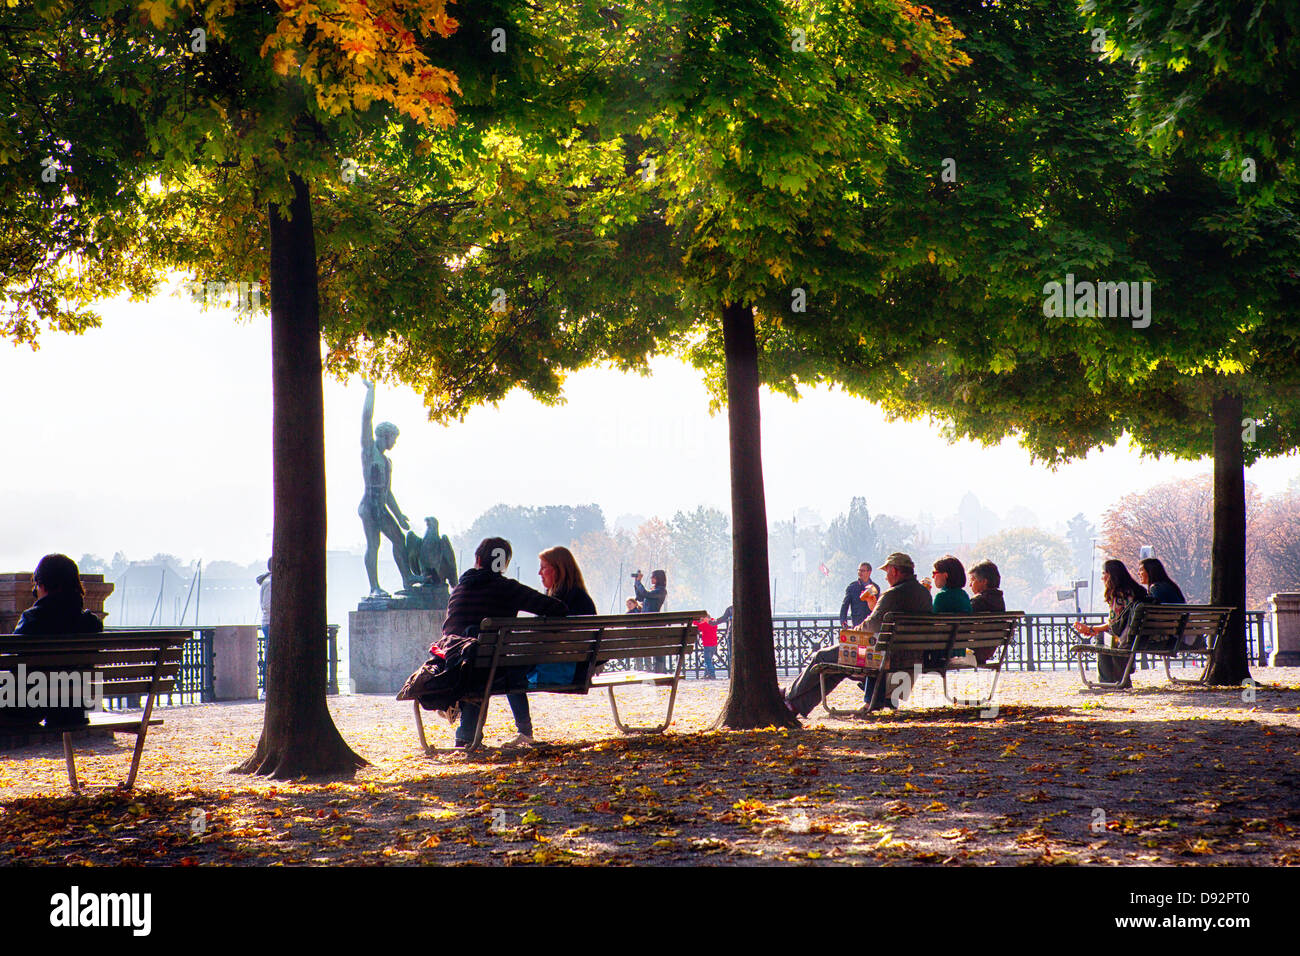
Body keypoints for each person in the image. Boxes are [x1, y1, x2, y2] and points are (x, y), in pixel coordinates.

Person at [443, 537, 568, 748]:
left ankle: (466, 735)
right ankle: (524, 730)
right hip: (488, 667)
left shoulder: (459, 589)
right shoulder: (507, 588)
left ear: (478, 559)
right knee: (502, 665)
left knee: (483, 664)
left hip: (454, 663)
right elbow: (558, 609)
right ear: (502, 564)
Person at [783, 552, 932, 719]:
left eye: (887, 572)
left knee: (821, 656)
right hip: (912, 657)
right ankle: (795, 706)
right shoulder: (924, 594)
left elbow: (871, 626)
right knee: (835, 668)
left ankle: (789, 697)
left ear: (895, 571)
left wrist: (852, 633)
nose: (885, 577)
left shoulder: (892, 594)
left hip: (883, 657)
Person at [5, 554, 103, 729]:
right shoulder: (91, 623)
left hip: (29, 707)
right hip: (75, 707)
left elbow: (12, 664)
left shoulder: (32, 619)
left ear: (42, 584)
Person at [358, 381, 415, 597]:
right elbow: (366, 418)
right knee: (374, 544)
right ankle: (374, 587)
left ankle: (407, 579)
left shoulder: (387, 462)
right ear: (385, 435)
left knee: (399, 539)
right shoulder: (369, 451)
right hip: (369, 506)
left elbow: (388, 492)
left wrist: (399, 515)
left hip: (381, 506)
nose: (395, 443)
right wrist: (371, 391)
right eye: (394, 438)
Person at [1072, 559, 1149, 688]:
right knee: (1105, 635)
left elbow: (1114, 625)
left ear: (1111, 575)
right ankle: (1120, 678)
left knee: (1102, 636)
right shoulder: (1137, 591)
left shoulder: (1118, 594)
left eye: (1104, 574)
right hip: (1142, 637)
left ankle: (1107, 681)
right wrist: (1094, 628)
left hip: (1127, 639)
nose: (1102, 578)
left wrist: (1093, 629)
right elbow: (1118, 623)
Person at [530, 546, 597, 688]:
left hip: (562, 672)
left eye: (543, 568)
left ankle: (521, 712)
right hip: (581, 670)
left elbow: (536, 637)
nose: (539, 573)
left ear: (559, 570)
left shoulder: (555, 603)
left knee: (508, 673)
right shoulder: (582, 598)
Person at [968, 560, 1006, 663]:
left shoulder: (978, 602)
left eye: (972, 580)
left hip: (971, 652)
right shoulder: (999, 601)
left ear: (984, 581)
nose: (970, 585)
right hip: (987, 651)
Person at [633, 570, 668, 671]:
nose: (651, 579)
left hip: (652, 624)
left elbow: (645, 594)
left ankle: (659, 672)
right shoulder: (655, 590)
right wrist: (636, 583)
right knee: (651, 649)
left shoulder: (661, 591)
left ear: (658, 578)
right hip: (648, 623)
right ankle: (655, 671)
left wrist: (639, 582)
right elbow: (640, 597)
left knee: (656, 651)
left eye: (653, 577)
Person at [695, 615, 720, 679]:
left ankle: (712, 674)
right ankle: (706, 674)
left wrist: (695, 621)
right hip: (714, 645)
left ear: (706, 618)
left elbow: (698, 626)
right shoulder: (714, 623)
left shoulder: (705, 625)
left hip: (707, 645)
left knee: (708, 661)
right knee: (708, 660)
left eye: (703, 618)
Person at [257, 560, 272, 642]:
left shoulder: (267, 580)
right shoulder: (270, 582)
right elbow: (267, 605)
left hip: (267, 621)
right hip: (270, 622)